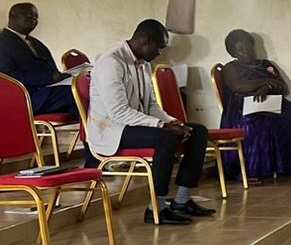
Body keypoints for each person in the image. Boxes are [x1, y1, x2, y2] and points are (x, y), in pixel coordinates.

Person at [86, 19, 215, 226]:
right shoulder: (111, 63)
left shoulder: (144, 64)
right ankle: (157, 207)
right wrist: (162, 126)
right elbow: (118, 112)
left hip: (134, 124)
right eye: (160, 47)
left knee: (197, 131)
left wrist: (174, 122)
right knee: (165, 138)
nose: (161, 52)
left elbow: (152, 105)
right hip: (112, 130)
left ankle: (182, 200)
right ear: (147, 41)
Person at [220, 29, 291, 180]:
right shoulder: (230, 67)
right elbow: (238, 87)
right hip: (244, 108)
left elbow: (284, 88)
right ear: (233, 53)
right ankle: (251, 172)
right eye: (239, 50)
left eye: (248, 47)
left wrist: (267, 88)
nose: (245, 52)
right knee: (256, 125)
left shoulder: (266, 64)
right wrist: (267, 82)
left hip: (272, 104)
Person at [0, 3, 77, 116]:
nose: (33, 18)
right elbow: (8, 77)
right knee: (79, 93)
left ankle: (89, 131)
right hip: (26, 97)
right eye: (28, 15)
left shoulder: (37, 43)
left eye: (36, 16)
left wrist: (63, 77)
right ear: (12, 17)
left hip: (47, 93)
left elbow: (52, 70)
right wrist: (50, 77)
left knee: (85, 92)